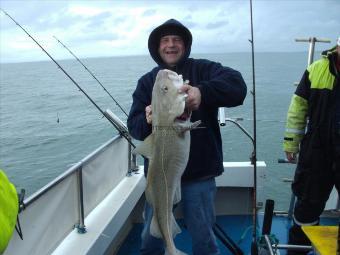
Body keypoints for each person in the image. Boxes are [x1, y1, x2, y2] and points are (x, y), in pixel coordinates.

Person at [127, 19, 247, 255]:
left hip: (199, 175)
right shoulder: (147, 82)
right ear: (157, 47)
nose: (170, 45)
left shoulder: (203, 69)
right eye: (165, 40)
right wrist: (148, 120)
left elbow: (238, 87)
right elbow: (134, 127)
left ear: (185, 45)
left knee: (203, 235)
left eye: (176, 40)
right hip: (160, 175)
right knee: (151, 238)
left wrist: (203, 92)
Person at [283, 37, 340, 255]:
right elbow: (298, 107)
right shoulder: (315, 70)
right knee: (307, 205)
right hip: (316, 150)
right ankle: (298, 250)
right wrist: (291, 142)